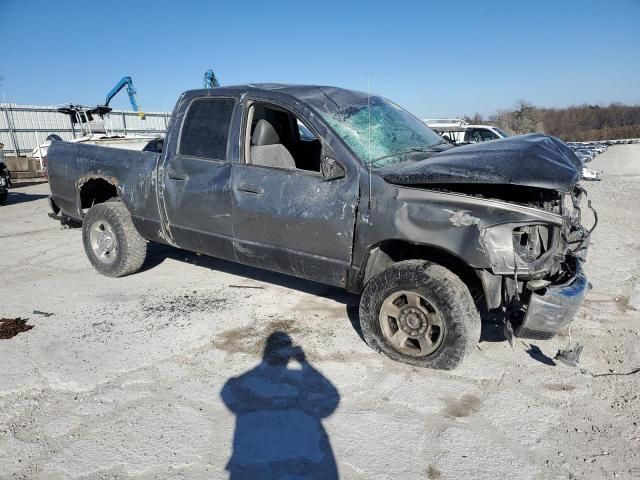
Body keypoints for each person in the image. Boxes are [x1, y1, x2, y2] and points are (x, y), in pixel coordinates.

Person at [221, 331, 340, 479]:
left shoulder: (252, 382)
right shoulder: (293, 378)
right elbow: (331, 397)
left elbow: (228, 391)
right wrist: (304, 363)